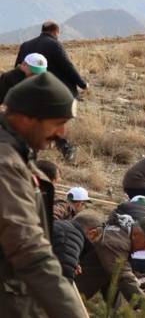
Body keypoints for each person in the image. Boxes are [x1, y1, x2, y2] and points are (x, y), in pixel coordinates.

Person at [0, 72, 85, 316]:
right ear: (27, 118)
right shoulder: (6, 165)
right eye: (57, 122)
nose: (62, 133)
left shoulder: (17, 154)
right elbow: (30, 252)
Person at [15, 21, 87, 161]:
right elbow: (67, 67)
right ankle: (65, 148)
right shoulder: (54, 44)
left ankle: (28, 151)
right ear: (55, 32)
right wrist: (82, 84)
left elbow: (18, 67)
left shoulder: (26, 45)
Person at [76, 214, 145, 316]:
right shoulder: (115, 242)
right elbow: (123, 275)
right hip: (69, 286)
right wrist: (144, 305)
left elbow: (113, 280)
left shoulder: (121, 234)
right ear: (136, 234)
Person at [51, 212, 103, 283]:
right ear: (92, 233)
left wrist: (74, 262)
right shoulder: (72, 237)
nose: (93, 244)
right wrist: (70, 269)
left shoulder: (62, 226)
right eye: (95, 241)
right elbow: (63, 281)